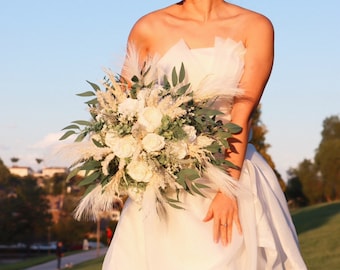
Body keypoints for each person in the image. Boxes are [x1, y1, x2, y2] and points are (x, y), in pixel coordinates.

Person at [103, 1, 307, 269]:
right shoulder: (147, 27)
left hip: (228, 170)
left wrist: (228, 189)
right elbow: (125, 109)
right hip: (164, 187)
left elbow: (241, 114)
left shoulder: (255, 26)